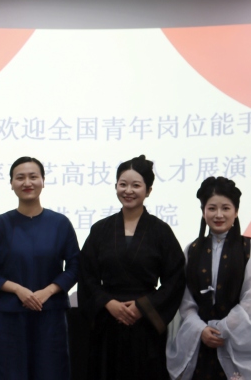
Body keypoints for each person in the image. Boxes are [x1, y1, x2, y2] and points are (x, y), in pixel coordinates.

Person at [78, 155, 185, 380]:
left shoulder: (161, 231)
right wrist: (108, 303)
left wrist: (142, 307)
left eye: (136, 185)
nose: (128, 191)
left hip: (145, 325)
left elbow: (175, 279)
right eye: (123, 184)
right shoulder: (100, 229)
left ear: (148, 190)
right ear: (116, 186)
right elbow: (86, 275)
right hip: (108, 322)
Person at [166, 176, 251, 380]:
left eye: (226, 208)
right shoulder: (192, 250)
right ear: (203, 211)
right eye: (212, 208)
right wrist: (201, 330)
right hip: (201, 345)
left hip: (238, 343)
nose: (218, 214)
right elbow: (185, 301)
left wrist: (222, 329)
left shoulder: (250, 250)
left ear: (236, 212)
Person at [0, 156, 80, 380]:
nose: (27, 183)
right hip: (9, 317)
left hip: (50, 315)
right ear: (11, 183)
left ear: (43, 181)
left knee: (51, 373)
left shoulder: (60, 223)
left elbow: (75, 266)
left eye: (33, 177)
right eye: (20, 177)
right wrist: (17, 289)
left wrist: (49, 291)